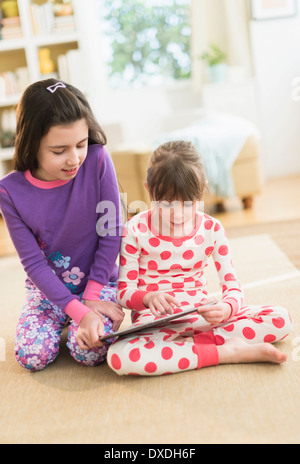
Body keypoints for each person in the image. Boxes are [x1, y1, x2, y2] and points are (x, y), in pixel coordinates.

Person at [107, 140, 292, 376]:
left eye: (188, 204)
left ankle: (189, 350)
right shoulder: (134, 230)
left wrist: (227, 307)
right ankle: (226, 352)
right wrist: (148, 297)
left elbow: (233, 287)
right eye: (166, 203)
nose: (178, 214)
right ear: (148, 189)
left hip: (203, 319)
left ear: (202, 189)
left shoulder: (212, 229)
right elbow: (124, 293)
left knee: (280, 318)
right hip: (156, 325)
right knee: (120, 357)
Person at [0, 79, 124, 372]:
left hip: (99, 283)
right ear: (32, 144)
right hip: (47, 292)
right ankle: (66, 319)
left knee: (90, 353)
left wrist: (91, 298)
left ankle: (76, 322)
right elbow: (33, 263)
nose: (74, 158)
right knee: (32, 357)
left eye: (80, 144)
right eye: (59, 151)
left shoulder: (97, 160)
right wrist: (78, 311)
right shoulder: (9, 191)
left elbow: (111, 231)